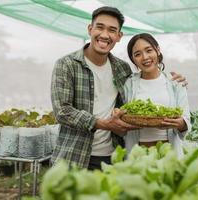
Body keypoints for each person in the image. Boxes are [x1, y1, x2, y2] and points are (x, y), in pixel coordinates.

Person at [51, 6, 187, 170]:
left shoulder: (121, 69)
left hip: (114, 156)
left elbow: (129, 102)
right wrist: (105, 124)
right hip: (74, 156)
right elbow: (62, 111)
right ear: (90, 29)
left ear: (118, 36)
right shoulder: (67, 65)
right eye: (100, 27)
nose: (104, 35)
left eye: (112, 30)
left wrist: (176, 80)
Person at [123, 33, 191, 156]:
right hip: (138, 152)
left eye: (149, 50)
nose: (145, 57)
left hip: (169, 152)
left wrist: (181, 124)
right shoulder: (128, 83)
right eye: (137, 54)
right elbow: (123, 113)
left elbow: (186, 120)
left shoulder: (175, 82)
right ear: (133, 60)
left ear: (158, 50)